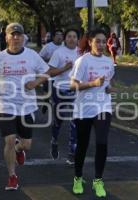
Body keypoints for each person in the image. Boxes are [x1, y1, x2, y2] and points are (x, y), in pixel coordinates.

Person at [0, 22, 50, 191]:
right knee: (8, 140)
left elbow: (46, 72)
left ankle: (19, 149)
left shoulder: (32, 56)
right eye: (12, 35)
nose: (16, 37)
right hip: (6, 105)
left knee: (27, 144)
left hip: (27, 106)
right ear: (6, 37)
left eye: (19, 35)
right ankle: (12, 176)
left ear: (23, 37)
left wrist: (35, 82)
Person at [70, 29, 115, 198]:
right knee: (82, 145)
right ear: (90, 42)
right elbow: (73, 85)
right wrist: (93, 83)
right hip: (84, 109)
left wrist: (109, 88)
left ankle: (98, 180)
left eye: (104, 41)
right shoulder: (82, 61)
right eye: (98, 41)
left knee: (102, 142)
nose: (101, 45)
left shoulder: (109, 61)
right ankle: (78, 178)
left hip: (103, 107)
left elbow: (109, 81)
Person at [47, 29, 80, 164]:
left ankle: (72, 153)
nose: (72, 39)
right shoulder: (58, 53)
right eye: (69, 36)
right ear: (65, 39)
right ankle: (54, 139)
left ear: (78, 39)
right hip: (60, 90)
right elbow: (50, 72)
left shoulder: (81, 53)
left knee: (75, 122)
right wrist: (64, 68)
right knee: (58, 120)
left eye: (74, 36)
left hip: (76, 91)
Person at [38, 29, 64, 114]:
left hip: (61, 75)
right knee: (48, 93)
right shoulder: (48, 47)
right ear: (53, 37)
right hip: (49, 73)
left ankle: (57, 110)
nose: (59, 37)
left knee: (56, 95)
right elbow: (39, 58)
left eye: (61, 35)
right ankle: (46, 101)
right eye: (57, 35)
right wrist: (50, 59)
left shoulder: (65, 46)